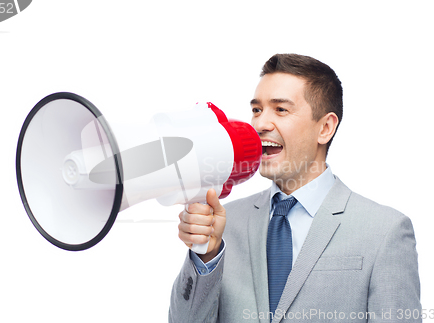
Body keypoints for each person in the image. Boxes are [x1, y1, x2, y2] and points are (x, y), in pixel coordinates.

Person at [169, 54, 421, 323]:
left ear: (325, 128)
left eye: (280, 110)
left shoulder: (385, 231)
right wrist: (206, 253)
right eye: (256, 110)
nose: (260, 124)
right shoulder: (224, 223)